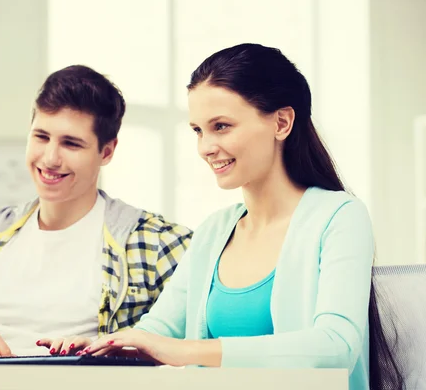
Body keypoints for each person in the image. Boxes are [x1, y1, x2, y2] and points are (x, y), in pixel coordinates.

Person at [60, 45, 403, 390]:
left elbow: (334, 346)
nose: (205, 147)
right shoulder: (214, 231)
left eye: (221, 126)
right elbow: (159, 330)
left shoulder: (340, 217)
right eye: (198, 130)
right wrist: (102, 345)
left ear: (281, 123)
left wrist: (186, 351)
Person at [0, 65, 193, 360]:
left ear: (107, 152)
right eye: (41, 137)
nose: (50, 159)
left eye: (71, 144)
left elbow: (198, 342)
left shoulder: (156, 243)